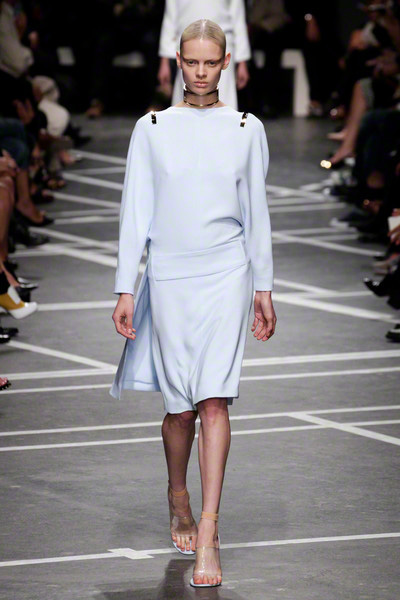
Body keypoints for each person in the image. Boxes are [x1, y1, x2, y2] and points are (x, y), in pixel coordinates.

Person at [111, 18, 276, 588]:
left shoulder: (246, 128)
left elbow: (257, 213)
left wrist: (263, 287)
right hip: (170, 275)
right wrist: (126, 288)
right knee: (180, 408)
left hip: (227, 271)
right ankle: (178, 493)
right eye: (192, 62)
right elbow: (135, 209)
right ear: (177, 61)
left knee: (214, 401)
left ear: (226, 62)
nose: (201, 72)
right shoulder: (152, 127)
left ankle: (208, 531)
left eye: (211, 62)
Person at [158, 0, 251, 110]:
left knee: (224, 98)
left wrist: (242, 61)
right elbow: (170, 16)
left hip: (222, 44)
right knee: (186, 103)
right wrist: (164, 61)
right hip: (187, 44)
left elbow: (237, 15)